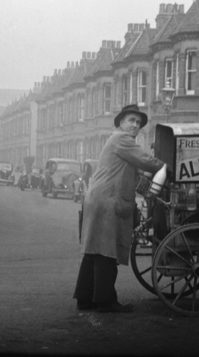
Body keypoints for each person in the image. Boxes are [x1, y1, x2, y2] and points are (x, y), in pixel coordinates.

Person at [73, 104, 165, 313]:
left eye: (138, 123)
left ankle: (85, 298)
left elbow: (134, 169)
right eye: (131, 121)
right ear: (121, 122)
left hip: (98, 198)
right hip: (107, 200)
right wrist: (166, 166)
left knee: (94, 250)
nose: (135, 125)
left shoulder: (118, 142)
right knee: (107, 251)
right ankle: (105, 301)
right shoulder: (122, 139)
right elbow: (147, 161)